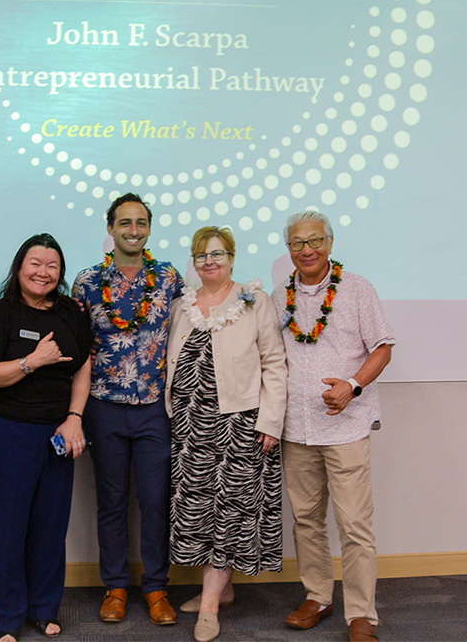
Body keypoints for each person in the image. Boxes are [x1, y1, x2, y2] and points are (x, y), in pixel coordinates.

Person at [270, 211, 395, 642]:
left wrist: (353, 386)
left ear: (330, 242)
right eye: (297, 243)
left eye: (315, 241)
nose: (307, 250)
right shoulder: (279, 296)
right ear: (289, 249)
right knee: (306, 520)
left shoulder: (357, 289)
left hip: (345, 426)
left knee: (355, 525)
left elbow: (382, 348)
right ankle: (318, 596)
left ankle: (362, 613)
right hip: (296, 430)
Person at [164, 226, 287, 642]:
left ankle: (211, 605)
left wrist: (270, 421)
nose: (209, 261)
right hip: (188, 429)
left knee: (228, 516)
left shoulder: (254, 302)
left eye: (217, 254)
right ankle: (224, 588)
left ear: (232, 258)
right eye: (201, 256)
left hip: (237, 427)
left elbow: (274, 364)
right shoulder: (184, 305)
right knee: (197, 516)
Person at [0, 233, 93, 642]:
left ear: (60, 272)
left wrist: (75, 417)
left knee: (49, 525)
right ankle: (4, 617)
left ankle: (43, 608)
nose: (43, 272)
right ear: (19, 267)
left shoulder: (71, 313)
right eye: (35, 263)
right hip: (8, 431)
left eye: (52, 265)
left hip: (58, 433)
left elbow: (83, 367)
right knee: (4, 527)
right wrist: (31, 361)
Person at [71, 193, 184, 625]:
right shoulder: (86, 281)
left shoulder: (170, 277)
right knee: (112, 501)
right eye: (124, 223)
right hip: (103, 406)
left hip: (155, 408)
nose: (132, 230)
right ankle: (115, 586)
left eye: (140, 223)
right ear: (111, 228)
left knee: (156, 500)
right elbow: (77, 345)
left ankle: (156, 588)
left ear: (149, 228)